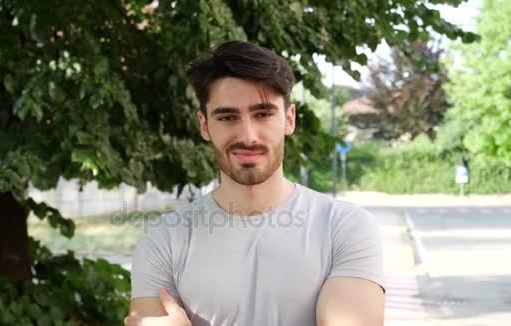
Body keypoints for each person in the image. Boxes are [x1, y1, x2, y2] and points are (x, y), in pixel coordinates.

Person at [125, 41, 385, 326]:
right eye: (227, 117)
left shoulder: (344, 228)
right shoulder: (163, 240)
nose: (248, 135)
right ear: (204, 125)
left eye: (262, 114)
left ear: (289, 119)